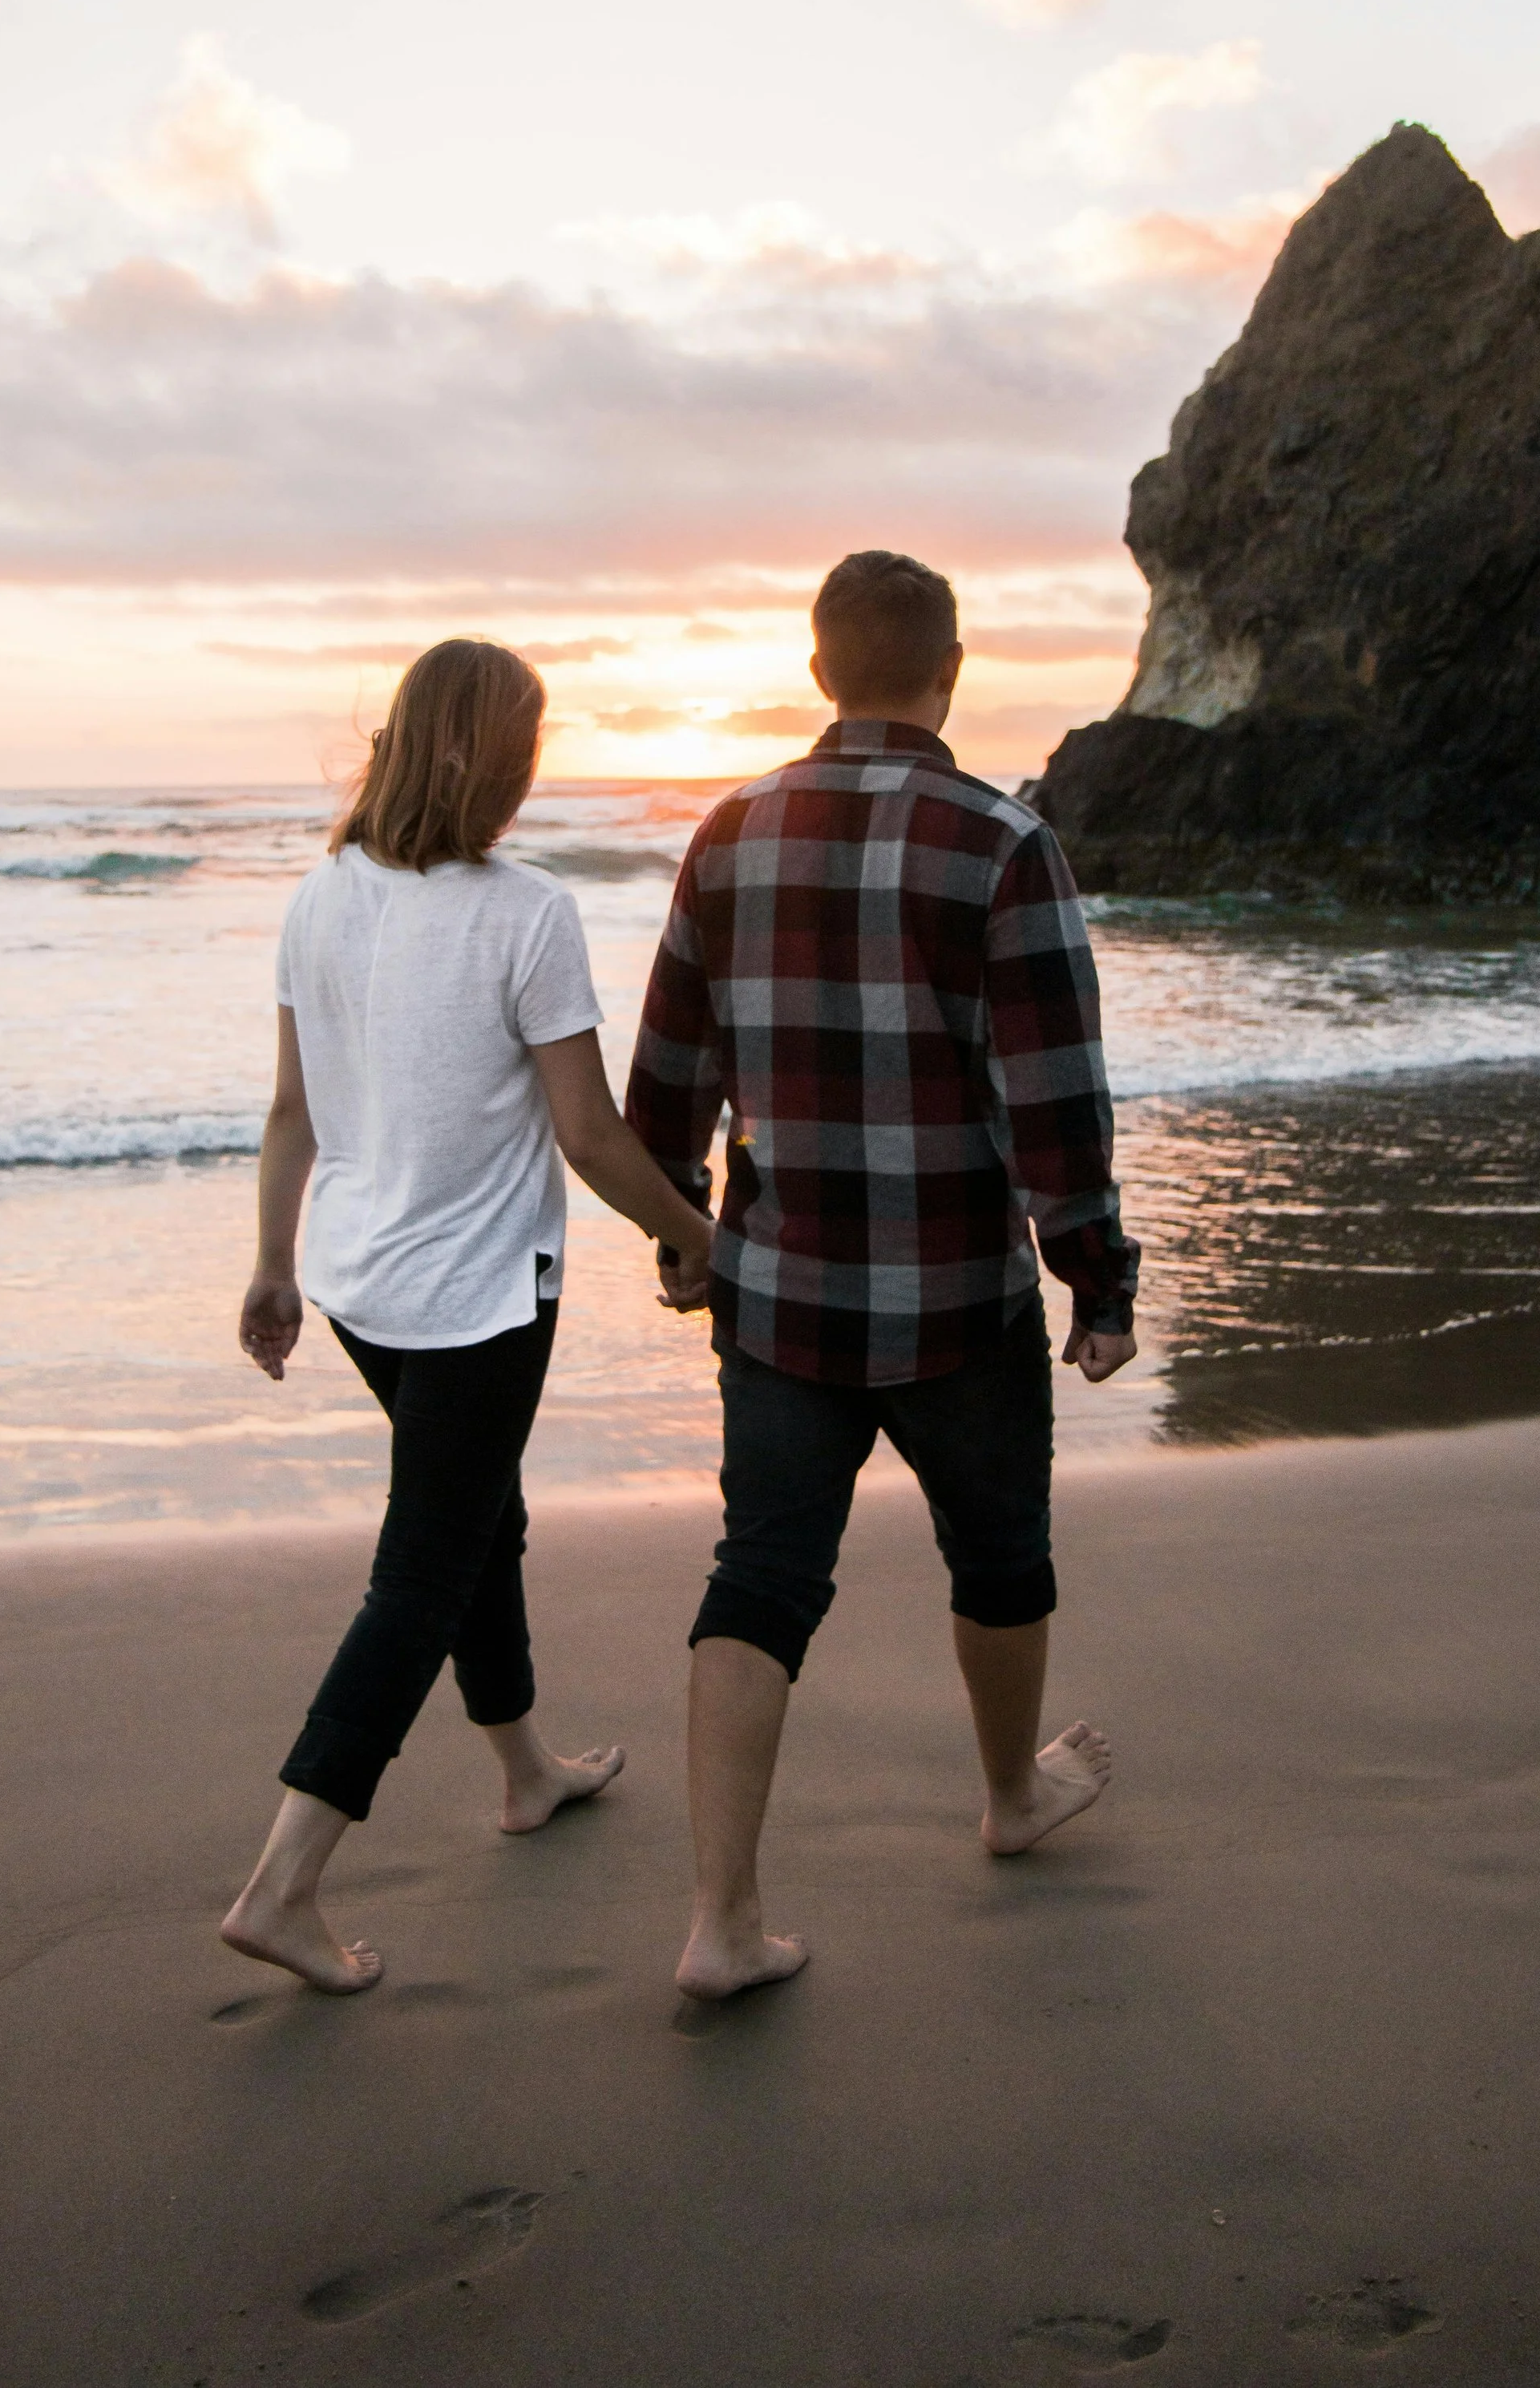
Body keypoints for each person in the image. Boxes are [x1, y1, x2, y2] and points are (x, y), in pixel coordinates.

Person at [624, 550, 1140, 2001]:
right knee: (1000, 1556)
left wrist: (680, 1234)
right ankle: (1009, 1796)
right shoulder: (1003, 841)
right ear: (952, 670)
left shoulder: (725, 831)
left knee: (762, 1577)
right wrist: (1098, 1285)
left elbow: (665, 1072)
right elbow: (1054, 1099)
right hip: (960, 1298)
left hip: (781, 1296)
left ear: (817, 671)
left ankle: (721, 1921)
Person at [220, 638, 713, 1995]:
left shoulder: (318, 898)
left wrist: (273, 1264)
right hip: (480, 1302)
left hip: (362, 1288)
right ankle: (283, 1884)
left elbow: (290, 1113)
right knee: (423, 1573)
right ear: (494, 759)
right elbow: (593, 1137)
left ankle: (522, 1770)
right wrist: (703, 1240)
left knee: (479, 1518)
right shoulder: (527, 912)